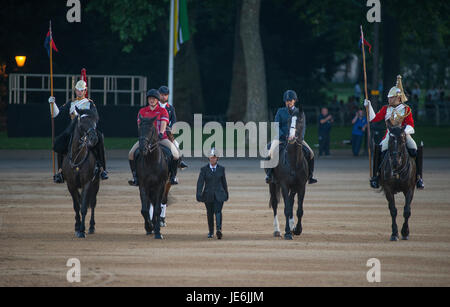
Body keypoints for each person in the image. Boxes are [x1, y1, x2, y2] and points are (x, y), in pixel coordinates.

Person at [364, 75, 424, 189]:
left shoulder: (406, 109)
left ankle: (418, 177)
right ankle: (376, 176)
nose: (389, 99)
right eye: (389, 97)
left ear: (399, 98)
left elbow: (411, 125)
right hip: (390, 135)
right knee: (380, 149)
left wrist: (402, 132)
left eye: (392, 98)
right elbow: (373, 119)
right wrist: (369, 106)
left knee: (415, 148)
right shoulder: (386, 109)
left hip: (403, 135)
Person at [49, 80, 108, 183]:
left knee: (99, 138)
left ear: (85, 91)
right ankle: (60, 171)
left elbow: (95, 116)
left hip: (87, 128)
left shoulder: (89, 103)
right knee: (60, 141)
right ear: (75, 90)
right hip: (73, 128)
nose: (79, 92)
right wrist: (52, 104)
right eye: (78, 90)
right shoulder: (71, 102)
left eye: (82, 90)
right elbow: (55, 114)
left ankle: (102, 167)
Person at [127, 89, 180, 186]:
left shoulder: (163, 110)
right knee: (131, 154)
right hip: (146, 139)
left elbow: (164, 123)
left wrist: (161, 132)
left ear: (157, 100)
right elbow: (140, 125)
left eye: (154, 99)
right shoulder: (142, 111)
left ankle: (173, 176)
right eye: (150, 99)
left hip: (161, 138)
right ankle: (135, 177)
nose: (151, 100)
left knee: (176, 154)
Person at [265, 90, 317, 184]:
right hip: (281, 138)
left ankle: (310, 175)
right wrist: (283, 135)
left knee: (311, 153)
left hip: (296, 139)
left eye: (290, 100)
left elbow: (303, 127)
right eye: (287, 100)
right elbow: (276, 125)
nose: (288, 102)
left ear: (294, 101)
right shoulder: (280, 111)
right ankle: (269, 175)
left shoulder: (299, 112)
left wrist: (299, 137)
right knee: (270, 152)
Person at [196, 148, 229, 240]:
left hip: (219, 194)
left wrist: (226, 193)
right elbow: (200, 182)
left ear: (217, 158)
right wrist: (198, 193)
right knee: (210, 213)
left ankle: (219, 230)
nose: (212, 159)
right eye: (211, 157)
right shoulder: (204, 169)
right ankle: (211, 231)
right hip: (208, 194)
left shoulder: (221, 169)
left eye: (214, 158)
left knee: (218, 211)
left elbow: (224, 182)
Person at [158, 85, 188, 185]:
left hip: (167, 133)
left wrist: (170, 129)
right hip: (154, 133)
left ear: (168, 96)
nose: (163, 97)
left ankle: (177, 166)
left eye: (165, 95)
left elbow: (174, 121)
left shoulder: (170, 108)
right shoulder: (154, 107)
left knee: (177, 145)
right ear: (159, 95)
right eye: (162, 95)